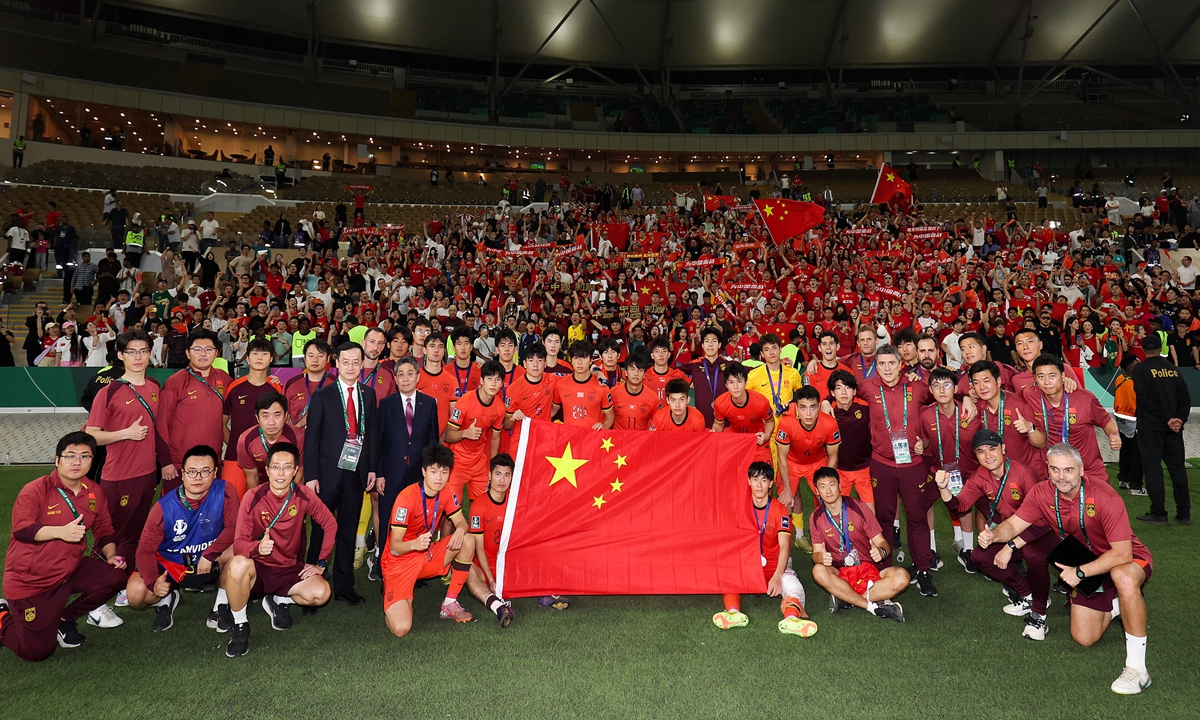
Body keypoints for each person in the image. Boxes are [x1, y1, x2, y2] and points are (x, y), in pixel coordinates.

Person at [981, 444, 1154, 695]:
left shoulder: (1105, 497)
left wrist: (1080, 572)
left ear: (1081, 470)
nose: (1061, 476)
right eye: (1055, 469)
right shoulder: (1042, 492)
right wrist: (993, 535)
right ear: (1048, 470)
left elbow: (1122, 554)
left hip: (1127, 559)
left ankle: (1138, 670)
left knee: (1123, 576)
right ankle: (1123, 605)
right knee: (1084, 638)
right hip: (1087, 561)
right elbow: (1014, 524)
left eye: (1069, 470)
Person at [0, 432, 128, 661]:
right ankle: (1, 616)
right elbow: (22, 530)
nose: (77, 462)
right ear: (57, 460)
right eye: (70, 456)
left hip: (71, 570)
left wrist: (110, 555)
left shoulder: (94, 491)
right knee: (36, 652)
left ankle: (64, 619)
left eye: (84, 456)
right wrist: (61, 532)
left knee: (115, 577)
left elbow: (104, 530)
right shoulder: (35, 489)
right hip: (32, 581)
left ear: (93, 460)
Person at [934, 430, 1056, 640]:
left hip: (1043, 530)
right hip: (1010, 530)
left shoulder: (1025, 474)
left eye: (992, 449)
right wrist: (944, 489)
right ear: (976, 456)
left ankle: (1039, 613)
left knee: (1033, 555)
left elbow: (1044, 520)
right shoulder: (980, 476)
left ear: (1003, 449)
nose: (988, 455)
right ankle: (1027, 595)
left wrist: (1010, 547)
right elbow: (960, 507)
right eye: (981, 451)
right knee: (979, 557)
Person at [83, 328, 165, 625]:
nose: (138, 357)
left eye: (143, 350)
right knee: (110, 539)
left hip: (147, 476)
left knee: (134, 538)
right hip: (118, 477)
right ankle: (92, 604)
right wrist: (125, 434)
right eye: (131, 351)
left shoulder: (155, 386)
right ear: (120, 355)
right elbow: (91, 435)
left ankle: (117, 587)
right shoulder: (110, 390)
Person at [226, 442, 337, 657]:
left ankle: (279, 600)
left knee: (322, 593)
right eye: (276, 467)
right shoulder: (253, 496)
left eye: (287, 467)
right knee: (237, 564)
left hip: (289, 569)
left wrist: (321, 563)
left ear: (295, 471)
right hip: (259, 569)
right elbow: (239, 544)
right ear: (266, 470)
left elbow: (330, 523)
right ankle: (240, 626)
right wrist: (258, 547)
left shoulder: (304, 495)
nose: (281, 472)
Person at [124, 445, 239, 632]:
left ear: (215, 473)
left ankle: (221, 606)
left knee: (239, 551)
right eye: (192, 472)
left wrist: (210, 554)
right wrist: (154, 582)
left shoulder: (225, 491)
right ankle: (167, 599)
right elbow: (144, 550)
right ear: (183, 474)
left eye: (205, 471)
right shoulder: (164, 507)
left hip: (209, 559)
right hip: (172, 564)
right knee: (136, 595)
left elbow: (234, 528)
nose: (198, 478)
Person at [855, 344, 939, 597]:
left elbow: (940, 402)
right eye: (882, 364)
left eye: (892, 363)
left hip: (912, 464)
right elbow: (841, 392)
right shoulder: (867, 387)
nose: (887, 368)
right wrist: (826, 402)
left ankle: (923, 570)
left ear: (901, 363)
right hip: (882, 464)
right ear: (876, 366)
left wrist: (924, 440)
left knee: (917, 517)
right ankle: (883, 569)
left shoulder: (917, 387)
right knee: (883, 519)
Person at [303, 342, 379, 607]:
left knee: (348, 530)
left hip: (356, 474)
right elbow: (311, 439)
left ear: (361, 364)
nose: (350, 366)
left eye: (355, 362)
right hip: (326, 476)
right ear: (336, 364)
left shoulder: (369, 395)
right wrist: (311, 475)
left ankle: (344, 585)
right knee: (321, 530)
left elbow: (370, 437)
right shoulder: (323, 396)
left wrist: (371, 468)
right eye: (345, 362)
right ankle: (309, 585)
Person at [712, 461, 818, 637]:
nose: (759, 485)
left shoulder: (779, 510)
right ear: (748, 481)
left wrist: (777, 575)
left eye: (764, 480)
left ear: (770, 484)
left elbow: (785, 546)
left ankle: (791, 618)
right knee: (727, 576)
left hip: (775, 565)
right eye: (755, 479)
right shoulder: (739, 507)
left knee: (794, 587)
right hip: (747, 564)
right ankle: (733, 612)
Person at [381, 444, 477, 637]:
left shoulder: (447, 490)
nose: (439, 478)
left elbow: (462, 523)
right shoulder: (406, 498)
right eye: (434, 471)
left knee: (467, 540)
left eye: (444, 472)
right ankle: (391, 595)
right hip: (399, 562)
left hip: (426, 553)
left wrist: (460, 530)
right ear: (424, 471)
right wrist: (414, 545)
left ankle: (449, 603)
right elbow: (395, 547)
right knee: (401, 629)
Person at [808, 467, 908, 622]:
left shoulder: (860, 508)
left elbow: (883, 543)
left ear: (840, 486)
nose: (828, 490)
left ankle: (846, 597)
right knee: (818, 571)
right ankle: (873, 606)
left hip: (868, 572)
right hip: (841, 573)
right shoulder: (816, 517)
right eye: (822, 486)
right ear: (816, 491)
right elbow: (815, 555)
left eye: (832, 485)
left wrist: (881, 552)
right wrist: (820, 557)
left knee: (902, 577)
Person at [372, 357, 440, 579]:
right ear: (396, 378)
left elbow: (432, 444)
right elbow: (378, 443)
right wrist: (380, 473)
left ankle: (415, 570)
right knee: (388, 521)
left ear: (418, 377)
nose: (405, 378)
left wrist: (430, 476)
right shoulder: (386, 404)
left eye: (410, 373)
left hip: (417, 476)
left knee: (416, 523)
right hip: (390, 475)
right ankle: (384, 569)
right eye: (401, 374)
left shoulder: (429, 404)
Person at [919, 367, 980, 572]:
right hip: (937, 470)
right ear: (931, 390)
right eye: (936, 386)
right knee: (924, 504)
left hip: (967, 470)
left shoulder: (969, 411)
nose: (942, 390)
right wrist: (921, 445)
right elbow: (926, 442)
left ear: (955, 388)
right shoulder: (925, 415)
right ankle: (931, 550)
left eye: (947, 385)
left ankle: (968, 551)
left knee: (965, 507)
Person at [156, 330, 231, 494]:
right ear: (187, 353)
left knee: (209, 515)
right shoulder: (175, 382)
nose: (203, 354)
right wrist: (166, 462)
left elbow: (244, 397)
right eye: (197, 349)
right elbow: (161, 424)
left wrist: (270, 380)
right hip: (180, 465)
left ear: (216, 353)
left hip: (212, 464)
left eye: (208, 349)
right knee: (177, 516)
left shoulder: (224, 379)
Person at [1023, 354, 1120, 480]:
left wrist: (1114, 436)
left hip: (1088, 471)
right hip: (1056, 474)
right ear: (1035, 378)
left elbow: (1106, 421)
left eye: (1052, 376)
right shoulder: (1030, 395)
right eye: (1041, 376)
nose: (1047, 382)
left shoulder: (1085, 399)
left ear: (1063, 376)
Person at [1131, 333, 1191, 525]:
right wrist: (1178, 419)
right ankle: (1184, 514)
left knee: (1153, 469)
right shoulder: (1174, 370)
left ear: (1143, 349)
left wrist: (1167, 419)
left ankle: (1159, 512)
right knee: (1178, 469)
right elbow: (1186, 399)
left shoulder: (1140, 369)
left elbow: (1143, 398)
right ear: (1161, 348)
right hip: (1173, 430)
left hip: (1150, 427)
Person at [774, 385, 840, 552]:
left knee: (828, 500)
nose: (808, 414)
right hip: (791, 462)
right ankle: (796, 539)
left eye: (813, 407)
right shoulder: (786, 422)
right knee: (786, 504)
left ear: (819, 406)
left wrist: (826, 482)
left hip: (817, 463)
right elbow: (782, 457)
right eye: (803, 408)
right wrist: (787, 489)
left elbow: (833, 456)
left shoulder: (830, 424)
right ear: (796, 407)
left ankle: (826, 543)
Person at [222, 339, 284, 497]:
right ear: (247, 358)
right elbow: (221, 424)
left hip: (266, 459)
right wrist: (237, 446)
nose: (259, 357)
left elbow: (282, 425)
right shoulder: (234, 387)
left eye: (264, 354)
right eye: (255, 353)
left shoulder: (276, 388)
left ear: (271, 359)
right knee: (232, 505)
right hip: (234, 458)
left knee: (262, 507)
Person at [466, 454, 518, 628]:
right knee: (467, 570)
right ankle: (497, 605)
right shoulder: (478, 506)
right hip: (485, 564)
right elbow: (478, 548)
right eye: (497, 474)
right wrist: (490, 578)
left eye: (507, 475)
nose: (502, 480)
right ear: (489, 476)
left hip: (509, 563)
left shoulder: (515, 501)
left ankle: (546, 593)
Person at [445, 360, 505, 501]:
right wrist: (465, 433)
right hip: (458, 462)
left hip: (479, 463)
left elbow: (495, 438)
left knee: (482, 505)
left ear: (502, 384)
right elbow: (448, 435)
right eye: (489, 378)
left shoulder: (500, 408)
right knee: (451, 511)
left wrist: (492, 467)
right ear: (481, 381)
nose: (493, 383)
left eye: (497, 380)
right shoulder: (465, 401)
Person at [236, 391, 303, 490]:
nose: (271, 422)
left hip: (289, 488)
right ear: (257, 418)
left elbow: (299, 475)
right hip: (261, 488)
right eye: (265, 416)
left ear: (285, 416)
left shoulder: (297, 436)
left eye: (277, 415)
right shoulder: (246, 440)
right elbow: (252, 478)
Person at [827, 370, 874, 509]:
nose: (843, 392)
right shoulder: (827, 413)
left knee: (870, 515)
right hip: (839, 470)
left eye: (848, 387)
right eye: (839, 388)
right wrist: (825, 401)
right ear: (833, 392)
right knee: (839, 514)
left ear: (854, 391)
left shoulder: (866, 408)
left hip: (865, 469)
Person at [712, 362, 775, 465]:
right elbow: (718, 424)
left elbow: (770, 421)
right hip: (735, 442)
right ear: (726, 385)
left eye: (739, 381)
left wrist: (767, 435)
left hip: (758, 441)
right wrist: (714, 432)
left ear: (746, 383)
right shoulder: (720, 403)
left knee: (764, 476)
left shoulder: (760, 402)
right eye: (731, 382)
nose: (736, 387)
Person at [551, 341, 614, 429]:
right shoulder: (561, 385)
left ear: (591, 360)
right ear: (571, 360)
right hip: (569, 440)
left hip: (591, 439)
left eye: (584, 357)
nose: (580, 362)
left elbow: (610, 416)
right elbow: (552, 410)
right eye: (576, 358)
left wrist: (603, 428)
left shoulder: (602, 387)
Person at [282, 338, 332, 442]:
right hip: (297, 441)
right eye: (310, 356)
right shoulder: (291, 384)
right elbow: (284, 415)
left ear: (328, 359)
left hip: (328, 442)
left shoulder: (336, 384)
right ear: (304, 358)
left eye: (320, 356)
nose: (315, 360)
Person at [683, 327, 731, 427]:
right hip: (701, 424)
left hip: (725, 424)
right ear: (703, 346)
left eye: (714, 341)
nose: (710, 345)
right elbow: (671, 369)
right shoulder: (695, 366)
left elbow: (751, 370)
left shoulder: (728, 365)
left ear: (719, 345)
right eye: (707, 341)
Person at [1112, 353, 1144, 496]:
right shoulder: (1136, 383)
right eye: (1137, 361)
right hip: (1133, 419)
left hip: (1120, 419)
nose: (1139, 362)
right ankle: (1135, 485)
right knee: (1137, 453)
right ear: (1131, 367)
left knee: (1125, 450)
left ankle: (1123, 479)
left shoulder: (1120, 378)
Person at [610, 349, 657, 430]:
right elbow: (605, 418)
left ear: (644, 375)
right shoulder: (614, 393)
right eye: (632, 369)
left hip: (641, 441)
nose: (636, 373)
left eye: (640, 370)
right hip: (618, 440)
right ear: (626, 372)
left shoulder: (652, 397)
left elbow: (657, 423)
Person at [643, 336, 688, 408]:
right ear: (652, 355)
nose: (661, 354)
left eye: (664, 351)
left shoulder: (678, 375)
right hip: (651, 418)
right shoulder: (644, 376)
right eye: (657, 351)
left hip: (671, 418)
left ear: (669, 354)